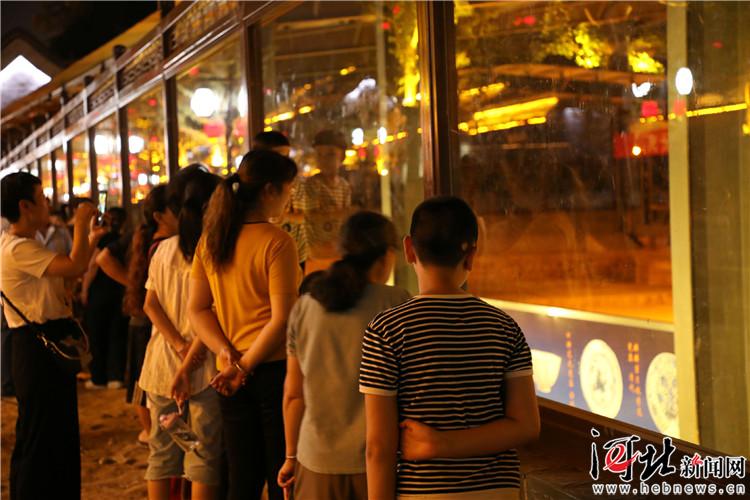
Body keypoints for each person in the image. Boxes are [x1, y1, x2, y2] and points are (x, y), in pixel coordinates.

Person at [359, 196, 540, 500]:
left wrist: (438, 444)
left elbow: (378, 448)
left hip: (424, 491)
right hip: (499, 490)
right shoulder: (504, 326)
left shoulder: (386, 330)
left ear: (408, 249)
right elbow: (526, 426)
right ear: (471, 256)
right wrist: (444, 443)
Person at [189, 149, 300, 500]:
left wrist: (227, 355)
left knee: (242, 477)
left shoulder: (211, 240)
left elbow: (197, 310)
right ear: (269, 190)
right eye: (288, 189)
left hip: (227, 373)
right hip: (272, 369)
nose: (289, 198)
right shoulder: (277, 242)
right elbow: (283, 318)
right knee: (283, 473)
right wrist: (244, 366)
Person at [276, 211, 410, 500]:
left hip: (315, 461)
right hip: (379, 467)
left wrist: (290, 457)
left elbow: (293, 395)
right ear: (387, 255)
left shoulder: (305, 306)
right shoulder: (398, 303)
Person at [1, 172, 104, 499]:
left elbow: (66, 281)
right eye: (42, 197)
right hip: (36, 347)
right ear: (25, 206)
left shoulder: (26, 244)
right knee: (42, 435)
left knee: (54, 433)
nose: (49, 203)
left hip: (42, 343)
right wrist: (81, 223)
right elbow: (75, 266)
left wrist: (90, 238)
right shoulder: (18, 248)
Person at [140, 165, 222, 500]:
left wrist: (177, 344)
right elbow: (211, 313)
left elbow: (149, 305)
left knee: (161, 454)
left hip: (161, 364)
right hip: (204, 368)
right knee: (203, 455)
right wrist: (189, 353)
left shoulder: (163, 248)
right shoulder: (215, 250)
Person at [97, 185, 177, 444]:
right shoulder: (161, 242)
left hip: (144, 318)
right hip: (150, 320)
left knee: (143, 380)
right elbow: (102, 259)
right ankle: (152, 433)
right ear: (159, 215)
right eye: (176, 208)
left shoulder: (144, 236)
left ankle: (151, 434)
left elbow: (104, 258)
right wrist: (137, 288)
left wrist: (136, 287)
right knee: (145, 382)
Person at [81, 206, 130, 389]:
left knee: (97, 335)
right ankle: (115, 377)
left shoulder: (101, 240)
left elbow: (93, 265)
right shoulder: (124, 241)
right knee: (117, 334)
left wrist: (84, 289)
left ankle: (98, 378)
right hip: (120, 291)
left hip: (99, 293)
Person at [294, 129, 352, 268]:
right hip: (317, 252)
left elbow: (346, 216)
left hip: (338, 251)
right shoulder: (311, 185)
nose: (324, 159)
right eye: (319, 154)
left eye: (330, 154)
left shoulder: (344, 186)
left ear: (342, 157)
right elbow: (310, 216)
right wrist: (339, 213)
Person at [253, 130, 308, 271]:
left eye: (287, 156)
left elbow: (304, 216)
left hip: (296, 251)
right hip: (264, 250)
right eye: (278, 156)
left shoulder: (295, 183)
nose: (284, 161)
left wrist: (284, 216)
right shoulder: (253, 184)